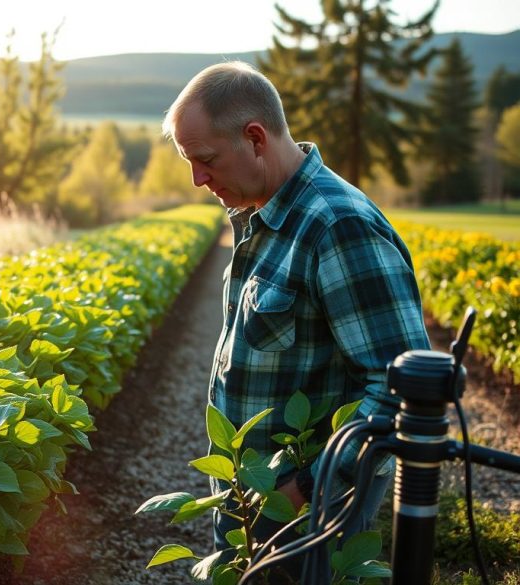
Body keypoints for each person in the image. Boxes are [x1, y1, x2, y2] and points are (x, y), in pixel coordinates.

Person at [161, 61, 430, 581]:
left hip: (306, 517)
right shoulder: (263, 214)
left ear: (255, 138)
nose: (197, 179)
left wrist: (305, 487)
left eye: (206, 159)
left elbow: (399, 392)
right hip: (254, 498)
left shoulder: (337, 226)